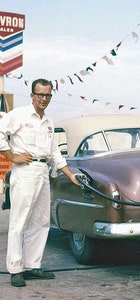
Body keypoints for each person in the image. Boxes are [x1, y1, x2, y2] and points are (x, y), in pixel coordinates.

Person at [0, 78, 80, 287]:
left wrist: (71, 175)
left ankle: (32, 266)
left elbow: (54, 153)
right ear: (32, 95)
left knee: (41, 221)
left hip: (43, 172)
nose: (43, 99)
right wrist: (11, 156)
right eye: (40, 95)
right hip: (25, 171)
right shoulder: (19, 115)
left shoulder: (49, 122)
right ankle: (16, 269)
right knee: (19, 222)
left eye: (47, 95)